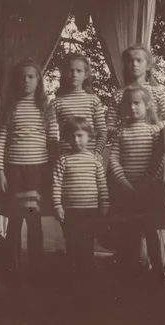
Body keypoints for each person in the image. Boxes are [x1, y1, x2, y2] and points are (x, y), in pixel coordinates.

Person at [0, 60, 58, 282]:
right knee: (14, 218)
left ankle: (36, 270)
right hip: (14, 171)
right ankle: (11, 269)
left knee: (33, 219)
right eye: (22, 77)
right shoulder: (10, 107)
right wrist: (0, 171)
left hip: (36, 171)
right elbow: (0, 140)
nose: (26, 81)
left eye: (31, 76)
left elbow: (52, 141)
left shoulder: (46, 108)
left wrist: (52, 171)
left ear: (39, 80)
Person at [108, 86, 165, 284]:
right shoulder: (120, 132)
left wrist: (147, 182)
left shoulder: (155, 131)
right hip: (127, 190)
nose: (132, 107)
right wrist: (123, 182)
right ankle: (132, 273)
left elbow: (159, 159)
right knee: (130, 232)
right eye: (129, 104)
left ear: (148, 105)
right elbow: (114, 159)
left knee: (151, 231)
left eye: (137, 103)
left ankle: (158, 272)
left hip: (148, 190)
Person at [51, 116, 109, 282]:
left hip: (90, 209)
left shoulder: (94, 161)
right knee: (72, 241)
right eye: (72, 136)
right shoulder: (63, 160)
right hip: (70, 211)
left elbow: (102, 185)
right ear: (67, 139)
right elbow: (56, 184)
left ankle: (87, 276)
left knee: (87, 242)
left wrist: (104, 203)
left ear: (89, 136)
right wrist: (57, 205)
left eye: (80, 135)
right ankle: (73, 276)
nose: (76, 140)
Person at [105, 44, 165, 150]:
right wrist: (124, 131)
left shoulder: (157, 92)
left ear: (147, 65)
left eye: (139, 60)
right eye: (130, 61)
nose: (134, 64)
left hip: (153, 146)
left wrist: (154, 127)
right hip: (127, 148)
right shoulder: (118, 95)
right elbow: (107, 127)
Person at [50, 53, 107, 155]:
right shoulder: (56, 102)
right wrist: (57, 156)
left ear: (85, 75)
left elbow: (102, 132)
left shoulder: (93, 100)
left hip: (89, 157)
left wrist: (97, 153)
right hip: (65, 158)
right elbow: (51, 134)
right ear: (64, 73)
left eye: (79, 71)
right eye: (71, 70)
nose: (74, 74)